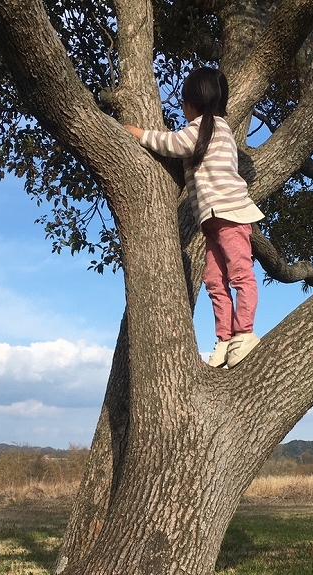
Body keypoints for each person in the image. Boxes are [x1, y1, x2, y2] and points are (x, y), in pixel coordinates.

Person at [124, 67, 264, 369]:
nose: (181, 109)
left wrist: (137, 134)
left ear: (191, 103)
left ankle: (245, 333)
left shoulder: (211, 127)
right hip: (212, 220)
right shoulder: (208, 128)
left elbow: (172, 144)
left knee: (240, 274)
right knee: (214, 279)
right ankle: (225, 337)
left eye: (183, 103)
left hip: (231, 214)